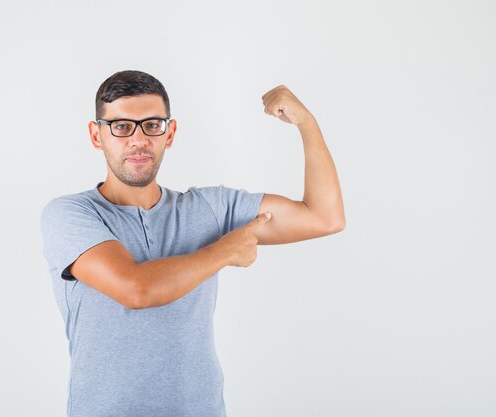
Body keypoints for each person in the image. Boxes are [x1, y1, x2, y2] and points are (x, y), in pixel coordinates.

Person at [39, 70, 345, 417]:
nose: (138, 140)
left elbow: (324, 216)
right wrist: (224, 251)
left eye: (152, 125)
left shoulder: (208, 209)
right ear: (97, 135)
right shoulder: (69, 214)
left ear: (170, 133)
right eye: (122, 127)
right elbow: (136, 289)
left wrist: (307, 123)